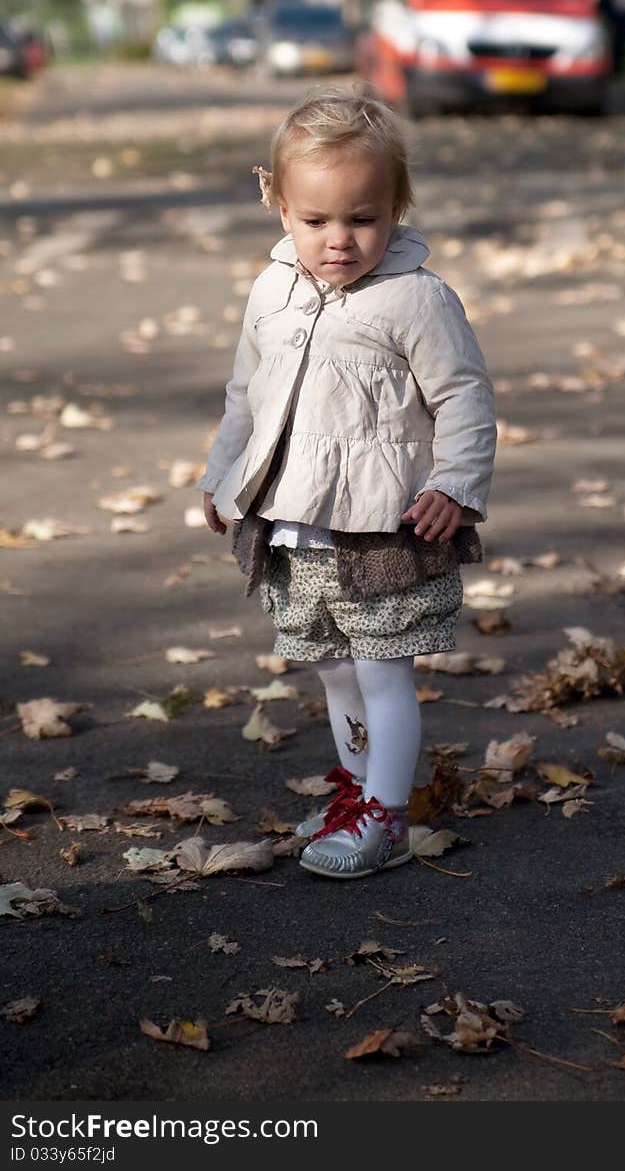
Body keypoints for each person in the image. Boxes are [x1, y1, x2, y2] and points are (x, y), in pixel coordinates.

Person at [197, 85, 496, 880]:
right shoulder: (271, 292)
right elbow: (245, 393)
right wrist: (223, 474)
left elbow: (464, 395)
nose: (339, 241)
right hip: (296, 523)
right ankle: (357, 792)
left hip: (382, 527)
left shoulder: (417, 299)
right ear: (278, 203)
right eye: (316, 220)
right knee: (331, 664)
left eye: (362, 219)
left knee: (380, 667)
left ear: (397, 206)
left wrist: (457, 484)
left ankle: (388, 819)